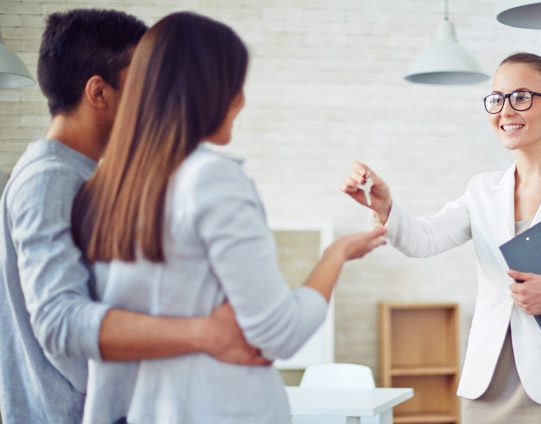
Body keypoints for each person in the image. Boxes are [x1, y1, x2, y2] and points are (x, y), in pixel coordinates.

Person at [70, 11, 387, 424]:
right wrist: (337, 254)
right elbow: (279, 333)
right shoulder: (212, 179)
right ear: (209, 89)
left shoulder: (105, 189)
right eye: (236, 83)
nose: (242, 99)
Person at [342, 52, 541, 423]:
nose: (505, 111)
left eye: (521, 97)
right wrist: (385, 207)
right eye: (497, 99)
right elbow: (422, 240)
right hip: (487, 386)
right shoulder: (482, 190)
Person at [0, 10, 267, 424]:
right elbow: (60, 321)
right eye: (142, 83)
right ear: (98, 92)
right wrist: (200, 335)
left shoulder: (84, 173)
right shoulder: (50, 179)